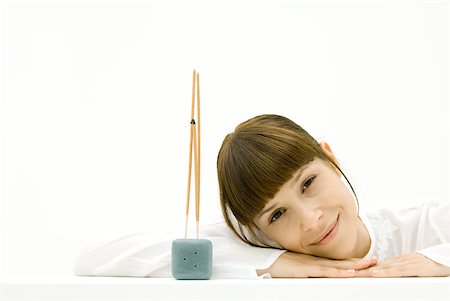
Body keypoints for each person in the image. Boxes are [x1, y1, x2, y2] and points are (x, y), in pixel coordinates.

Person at [73, 114, 450, 279]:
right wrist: (272, 264)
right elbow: (94, 257)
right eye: (276, 214)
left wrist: (440, 260)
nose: (310, 219)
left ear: (330, 158)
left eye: (307, 183)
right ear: (255, 228)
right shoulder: (261, 244)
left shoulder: (419, 223)